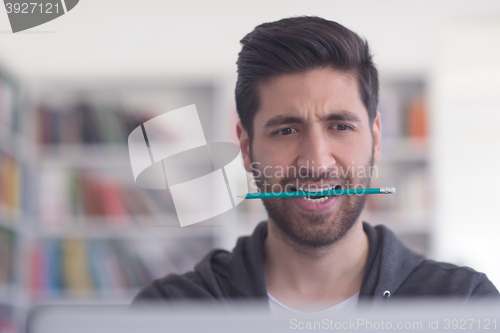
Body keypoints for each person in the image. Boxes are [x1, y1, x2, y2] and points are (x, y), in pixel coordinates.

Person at [132, 16, 499, 312]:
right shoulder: (171, 311)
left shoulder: (464, 304)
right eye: (286, 130)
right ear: (246, 148)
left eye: (340, 126)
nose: (316, 161)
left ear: (376, 138)